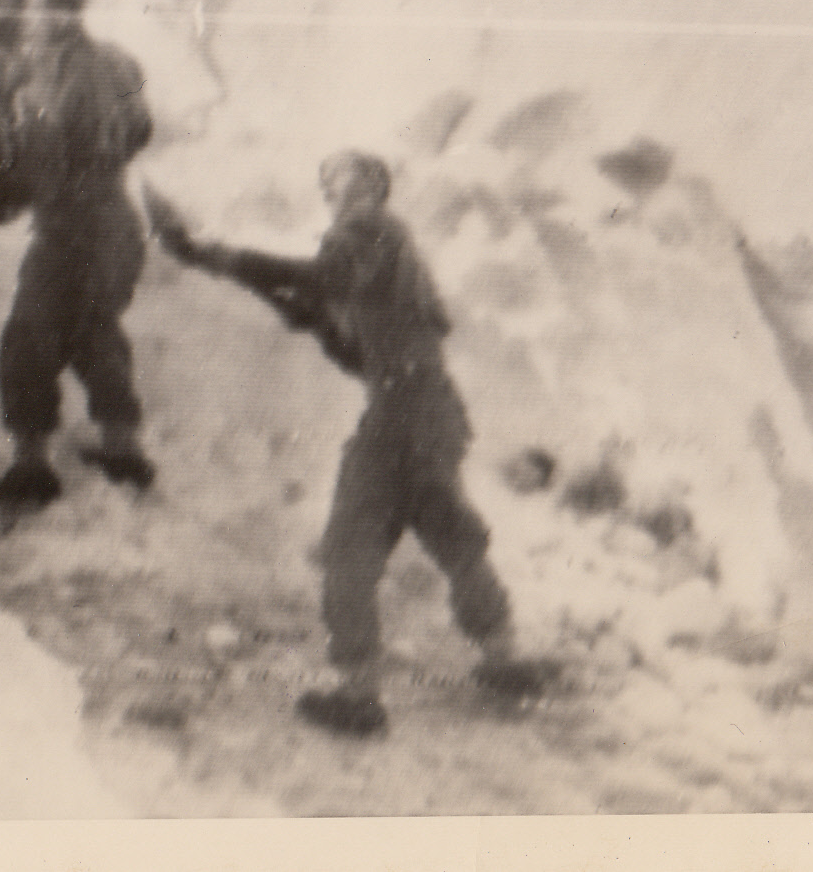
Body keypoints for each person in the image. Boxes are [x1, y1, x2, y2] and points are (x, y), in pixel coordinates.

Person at [147, 152, 553, 737]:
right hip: (431, 413)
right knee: (451, 535)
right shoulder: (389, 257)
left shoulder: (367, 226)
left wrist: (221, 256)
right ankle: (504, 659)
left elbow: (322, 280)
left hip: (398, 419)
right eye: (326, 181)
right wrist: (293, 307)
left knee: (349, 548)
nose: (330, 189)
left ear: (370, 185)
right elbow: (347, 338)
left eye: (338, 177)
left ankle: (359, 694)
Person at [0, 0, 155, 514]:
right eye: (37, 6)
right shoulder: (100, 62)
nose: (37, 17)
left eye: (46, 7)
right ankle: (123, 454)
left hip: (79, 231)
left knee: (30, 338)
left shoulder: (71, 76)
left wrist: (14, 188)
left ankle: (32, 469)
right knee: (92, 331)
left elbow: (58, 156)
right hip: (110, 226)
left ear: (65, 11)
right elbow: (140, 129)